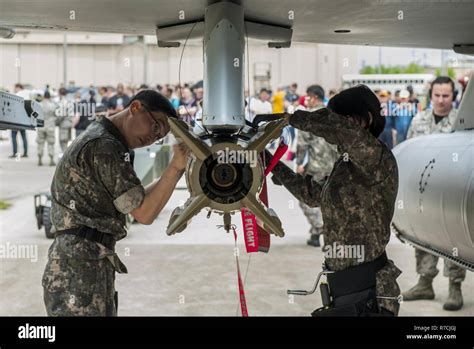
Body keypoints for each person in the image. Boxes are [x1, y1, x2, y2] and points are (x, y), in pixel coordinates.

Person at [42, 90, 190, 316]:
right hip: (79, 267)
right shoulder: (104, 146)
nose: (154, 136)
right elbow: (144, 212)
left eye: (161, 136)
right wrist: (175, 167)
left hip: (83, 261)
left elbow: (136, 200)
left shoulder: (107, 140)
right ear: (135, 108)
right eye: (155, 126)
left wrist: (177, 170)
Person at [263, 85, 401, 316]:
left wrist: (290, 118)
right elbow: (312, 194)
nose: (332, 127)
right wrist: (270, 162)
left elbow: (336, 128)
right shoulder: (347, 166)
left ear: (364, 119)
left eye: (342, 120)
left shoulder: (376, 159)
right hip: (345, 288)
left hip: (368, 291)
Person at [402, 76, 465, 311]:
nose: (440, 100)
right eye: (436, 95)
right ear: (430, 95)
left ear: (453, 96)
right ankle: (425, 283)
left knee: (452, 239)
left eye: (445, 96)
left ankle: (454, 287)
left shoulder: (462, 121)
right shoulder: (419, 120)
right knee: (424, 238)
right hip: (424, 191)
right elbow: (409, 150)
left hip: (451, 192)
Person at [295, 85, 338, 247]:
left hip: (315, 166)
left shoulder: (308, 117)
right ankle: (317, 234)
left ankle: (320, 227)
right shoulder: (334, 116)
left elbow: (302, 144)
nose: (306, 101)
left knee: (305, 198)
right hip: (335, 166)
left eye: (307, 97)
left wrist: (299, 163)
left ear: (313, 97)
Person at [37, 91, 58, 166]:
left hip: (41, 125)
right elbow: (56, 115)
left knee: (40, 143)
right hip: (50, 126)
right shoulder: (53, 105)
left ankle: (39, 158)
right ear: (49, 97)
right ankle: (51, 159)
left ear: (44, 96)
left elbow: (35, 114)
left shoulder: (39, 105)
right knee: (51, 143)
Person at [56, 87, 73, 154]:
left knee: (63, 142)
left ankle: (65, 157)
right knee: (68, 141)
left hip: (63, 124)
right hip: (69, 123)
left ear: (60, 93)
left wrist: (56, 122)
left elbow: (61, 115)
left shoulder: (62, 102)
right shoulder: (70, 101)